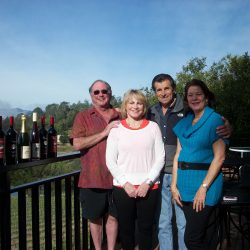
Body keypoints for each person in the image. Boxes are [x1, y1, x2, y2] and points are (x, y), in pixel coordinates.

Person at [147, 74, 232, 250]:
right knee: (167, 224)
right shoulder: (152, 111)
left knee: (189, 231)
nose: (163, 93)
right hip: (169, 177)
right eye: (158, 90)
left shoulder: (195, 112)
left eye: (167, 88)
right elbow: (179, 152)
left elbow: (219, 154)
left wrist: (229, 126)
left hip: (197, 182)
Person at [171, 79, 227, 250]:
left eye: (198, 94)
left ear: (206, 97)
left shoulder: (215, 120)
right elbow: (178, 155)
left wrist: (203, 188)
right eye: (190, 95)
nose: (194, 98)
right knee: (206, 237)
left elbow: (219, 157)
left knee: (192, 239)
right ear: (186, 100)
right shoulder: (185, 122)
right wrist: (173, 186)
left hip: (204, 187)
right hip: (184, 186)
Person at [106, 89, 165, 250]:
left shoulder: (153, 127)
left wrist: (147, 183)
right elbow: (110, 161)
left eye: (139, 102)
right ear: (125, 106)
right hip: (123, 188)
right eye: (131, 102)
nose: (135, 106)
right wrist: (126, 184)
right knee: (126, 230)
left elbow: (160, 158)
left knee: (146, 229)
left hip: (149, 187)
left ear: (144, 106)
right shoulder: (116, 130)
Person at [70, 80, 121, 250]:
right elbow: (77, 144)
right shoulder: (83, 117)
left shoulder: (121, 115)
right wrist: (105, 133)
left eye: (104, 91)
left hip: (119, 178)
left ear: (110, 92)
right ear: (91, 95)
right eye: (96, 92)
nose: (101, 94)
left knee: (114, 217)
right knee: (95, 219)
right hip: (93, 178)